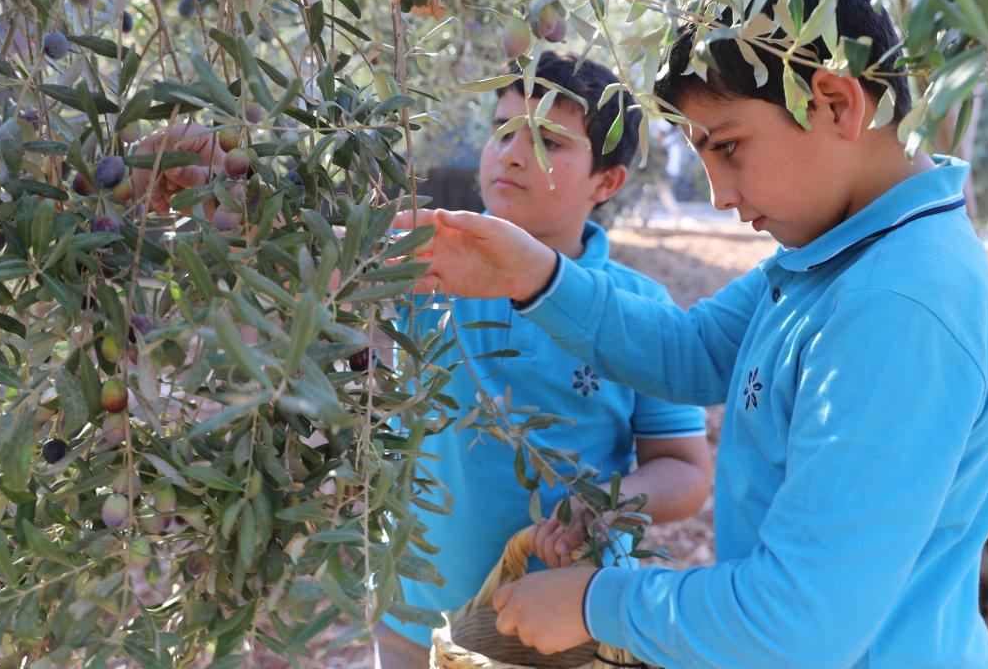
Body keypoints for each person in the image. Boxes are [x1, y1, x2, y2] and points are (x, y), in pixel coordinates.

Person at [393, 0, 988, 669]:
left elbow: (796, 624)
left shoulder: (899, 306)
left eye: (727, 147)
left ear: (835, 102)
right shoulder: (836, 253)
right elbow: (690, 352)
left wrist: (597, 603)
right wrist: (534, 274)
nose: (720, 194)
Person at [131, 53, 712, 669]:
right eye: (503, 130)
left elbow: (684, 472)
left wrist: (605, 500)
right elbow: (302, 252)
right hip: (412, 612)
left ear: (607, 183)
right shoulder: (428, 261)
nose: (513, 153)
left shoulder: (636, 311)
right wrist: (225, 184)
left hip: (565, 627)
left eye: (548, 140)